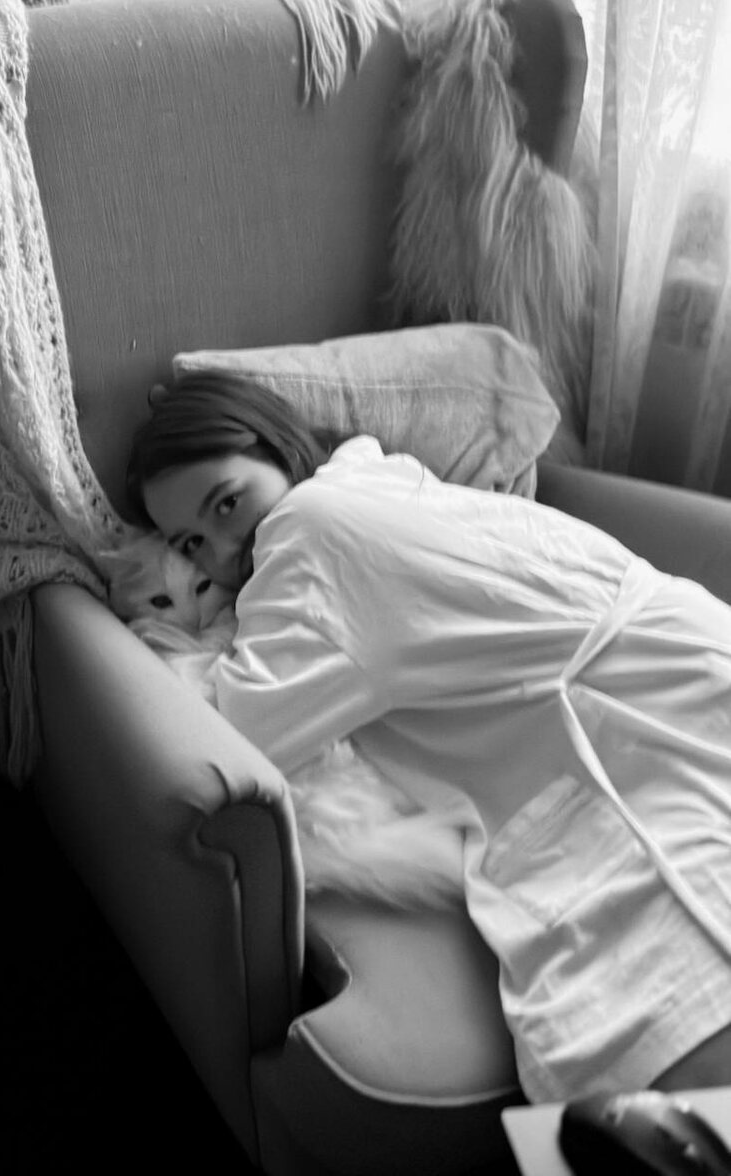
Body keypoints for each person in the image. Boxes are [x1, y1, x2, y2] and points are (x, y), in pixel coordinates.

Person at [126, 372, 731, 1104]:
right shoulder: (378, 478)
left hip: (633, 720)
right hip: (680, 654)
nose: (224, 550)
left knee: (669, 1017)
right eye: (192, 542)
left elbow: (237, 729)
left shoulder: (309, 531)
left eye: (227, 502)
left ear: (278, 452)